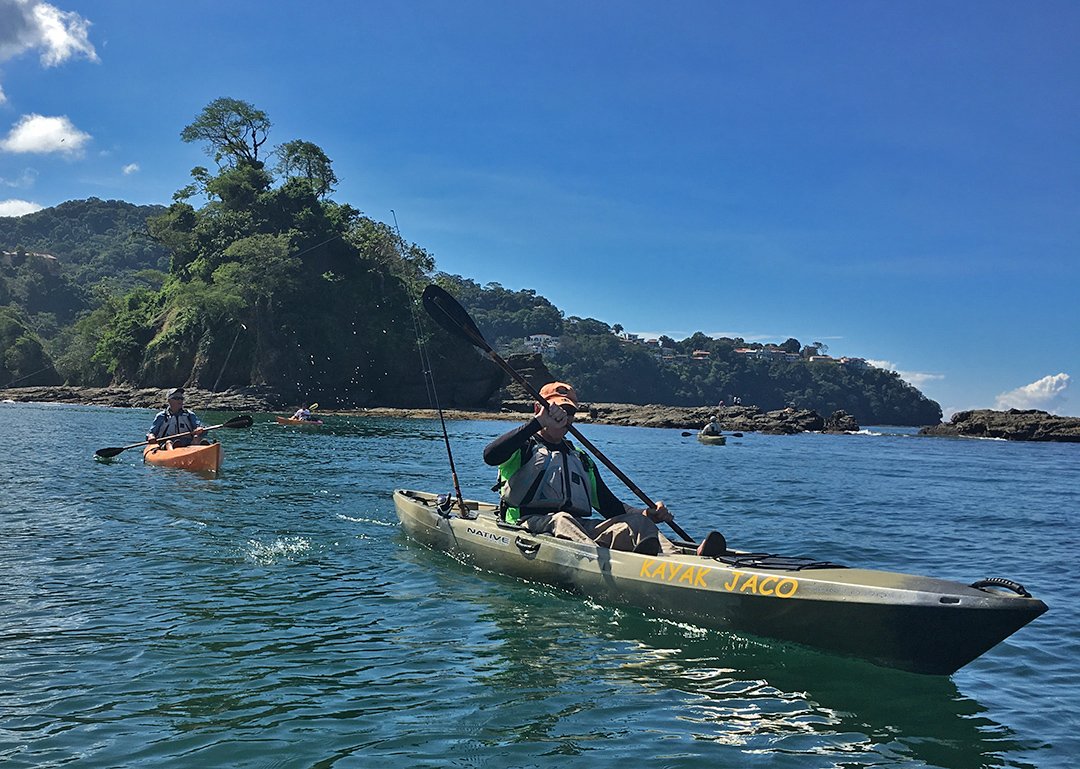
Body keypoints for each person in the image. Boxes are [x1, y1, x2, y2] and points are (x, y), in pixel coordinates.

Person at [484, 381, 680, 556]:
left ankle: (679, 558)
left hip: (576, 531)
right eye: (558, 409)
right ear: (539, 408)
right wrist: (538, 422)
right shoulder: (523, 447)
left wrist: (646, 513)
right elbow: (490, 455)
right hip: (527, 525)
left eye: (570, 413)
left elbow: (609, 506)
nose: (564, 417)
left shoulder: (580, 458)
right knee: (562, 519)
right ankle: (597, 564)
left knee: (640, 524)